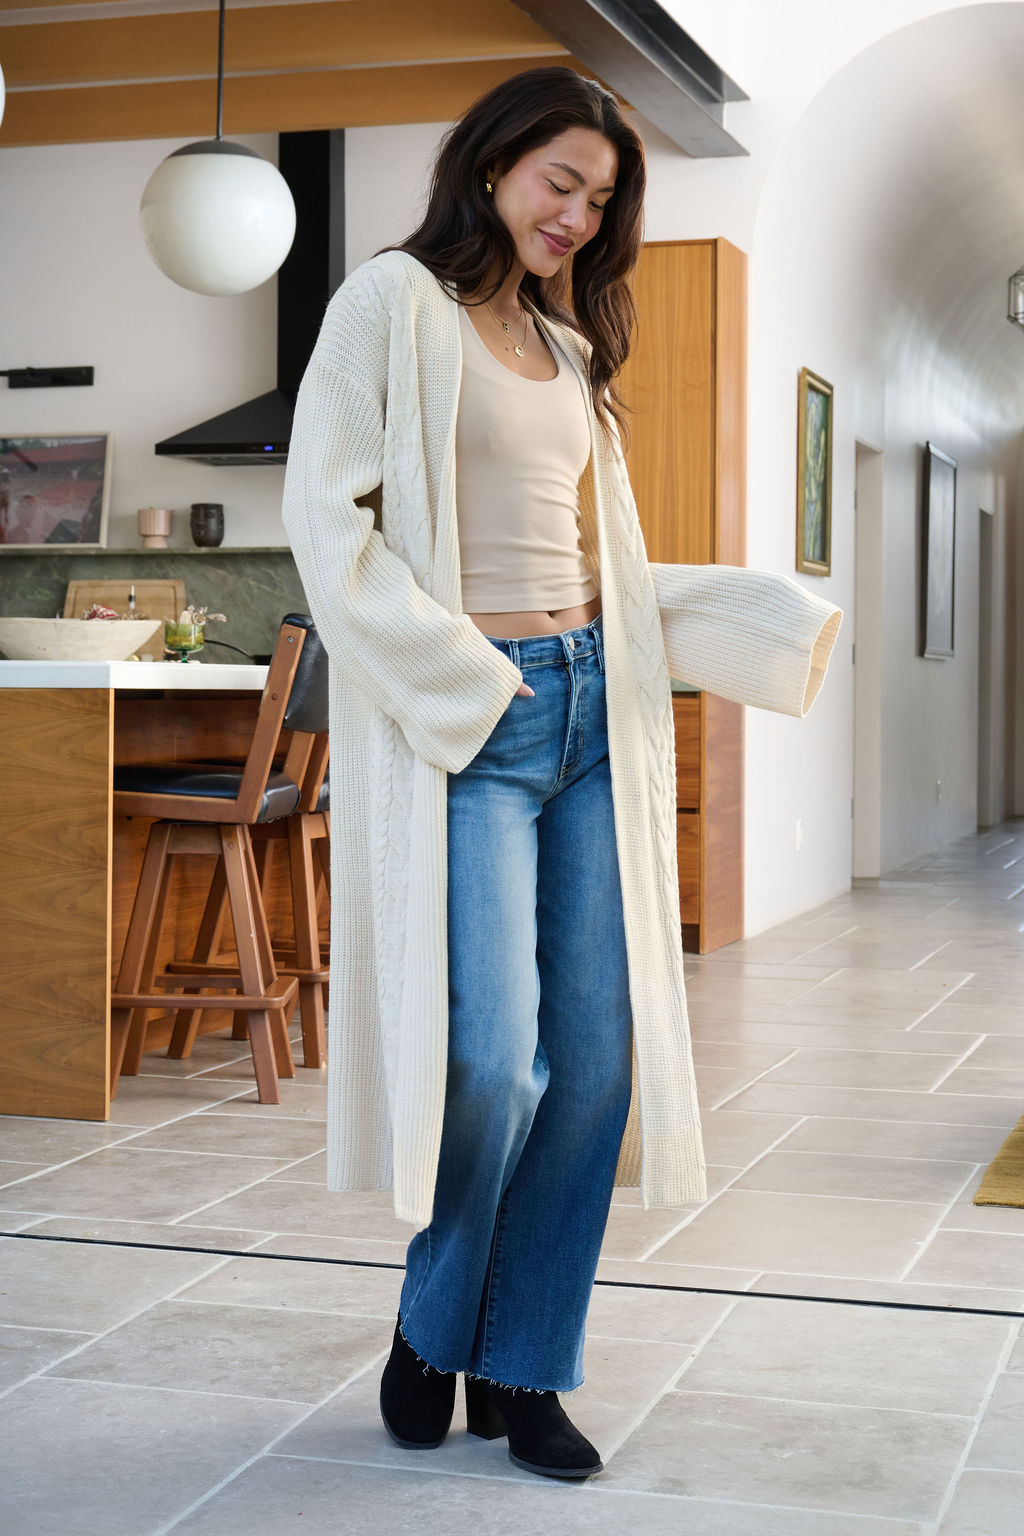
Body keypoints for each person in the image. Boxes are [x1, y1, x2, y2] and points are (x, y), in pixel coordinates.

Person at [281, 65, 842, 1482]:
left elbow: (599, 561)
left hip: (595, 711)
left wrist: (748, 619)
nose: (579, 218)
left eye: (600, 201)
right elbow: (326, 526)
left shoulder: (567, 347)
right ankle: (434, 1319)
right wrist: (472, 686)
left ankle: (522, 1367)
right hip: (478, 722)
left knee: (594, 1063)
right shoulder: (390, 306)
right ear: (492, 166)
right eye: (561, 184)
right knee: (489, 1058)